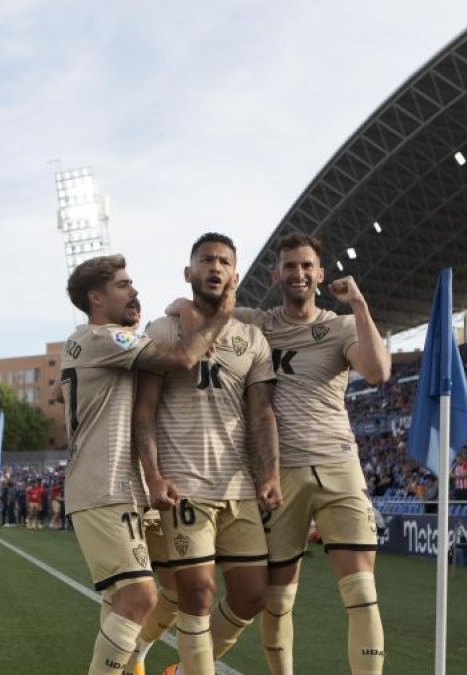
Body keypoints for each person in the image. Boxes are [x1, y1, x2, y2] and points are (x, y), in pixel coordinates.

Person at [169, 232, 389, 675]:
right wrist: (185, 306)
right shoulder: (257, 323)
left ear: (320, 274)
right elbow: (189, 309)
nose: (299, 274)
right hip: (279, 475)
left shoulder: (342, 326)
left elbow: (379, 371)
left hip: (338, 465)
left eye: (307, 266)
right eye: (290, 266)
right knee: (277, 599)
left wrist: (360, 306)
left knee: (361, 591)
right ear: (275, 276)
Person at [59, 253, 232, 675]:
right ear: (96, 298)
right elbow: (181, 359)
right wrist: (220, 313)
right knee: (140, 596)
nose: (134, 290)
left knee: (167, 590)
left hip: (124, 487)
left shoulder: (98, 340)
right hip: (103, 486)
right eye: (123, 285)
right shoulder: (105, 339)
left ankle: (132, 660)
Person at [135, 232, 283, 675]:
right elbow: (143, 412)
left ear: (235, 275)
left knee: (253, 595)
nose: (214, 267)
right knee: (196, 594)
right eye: (205, 260)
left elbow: (261, 415)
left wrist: (270, 474)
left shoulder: (253, 339)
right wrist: (154, 475)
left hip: (238, 488)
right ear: (189, 272)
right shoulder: (163, 329)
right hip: (184, 488)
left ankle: (170, 665)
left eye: (223, 262)